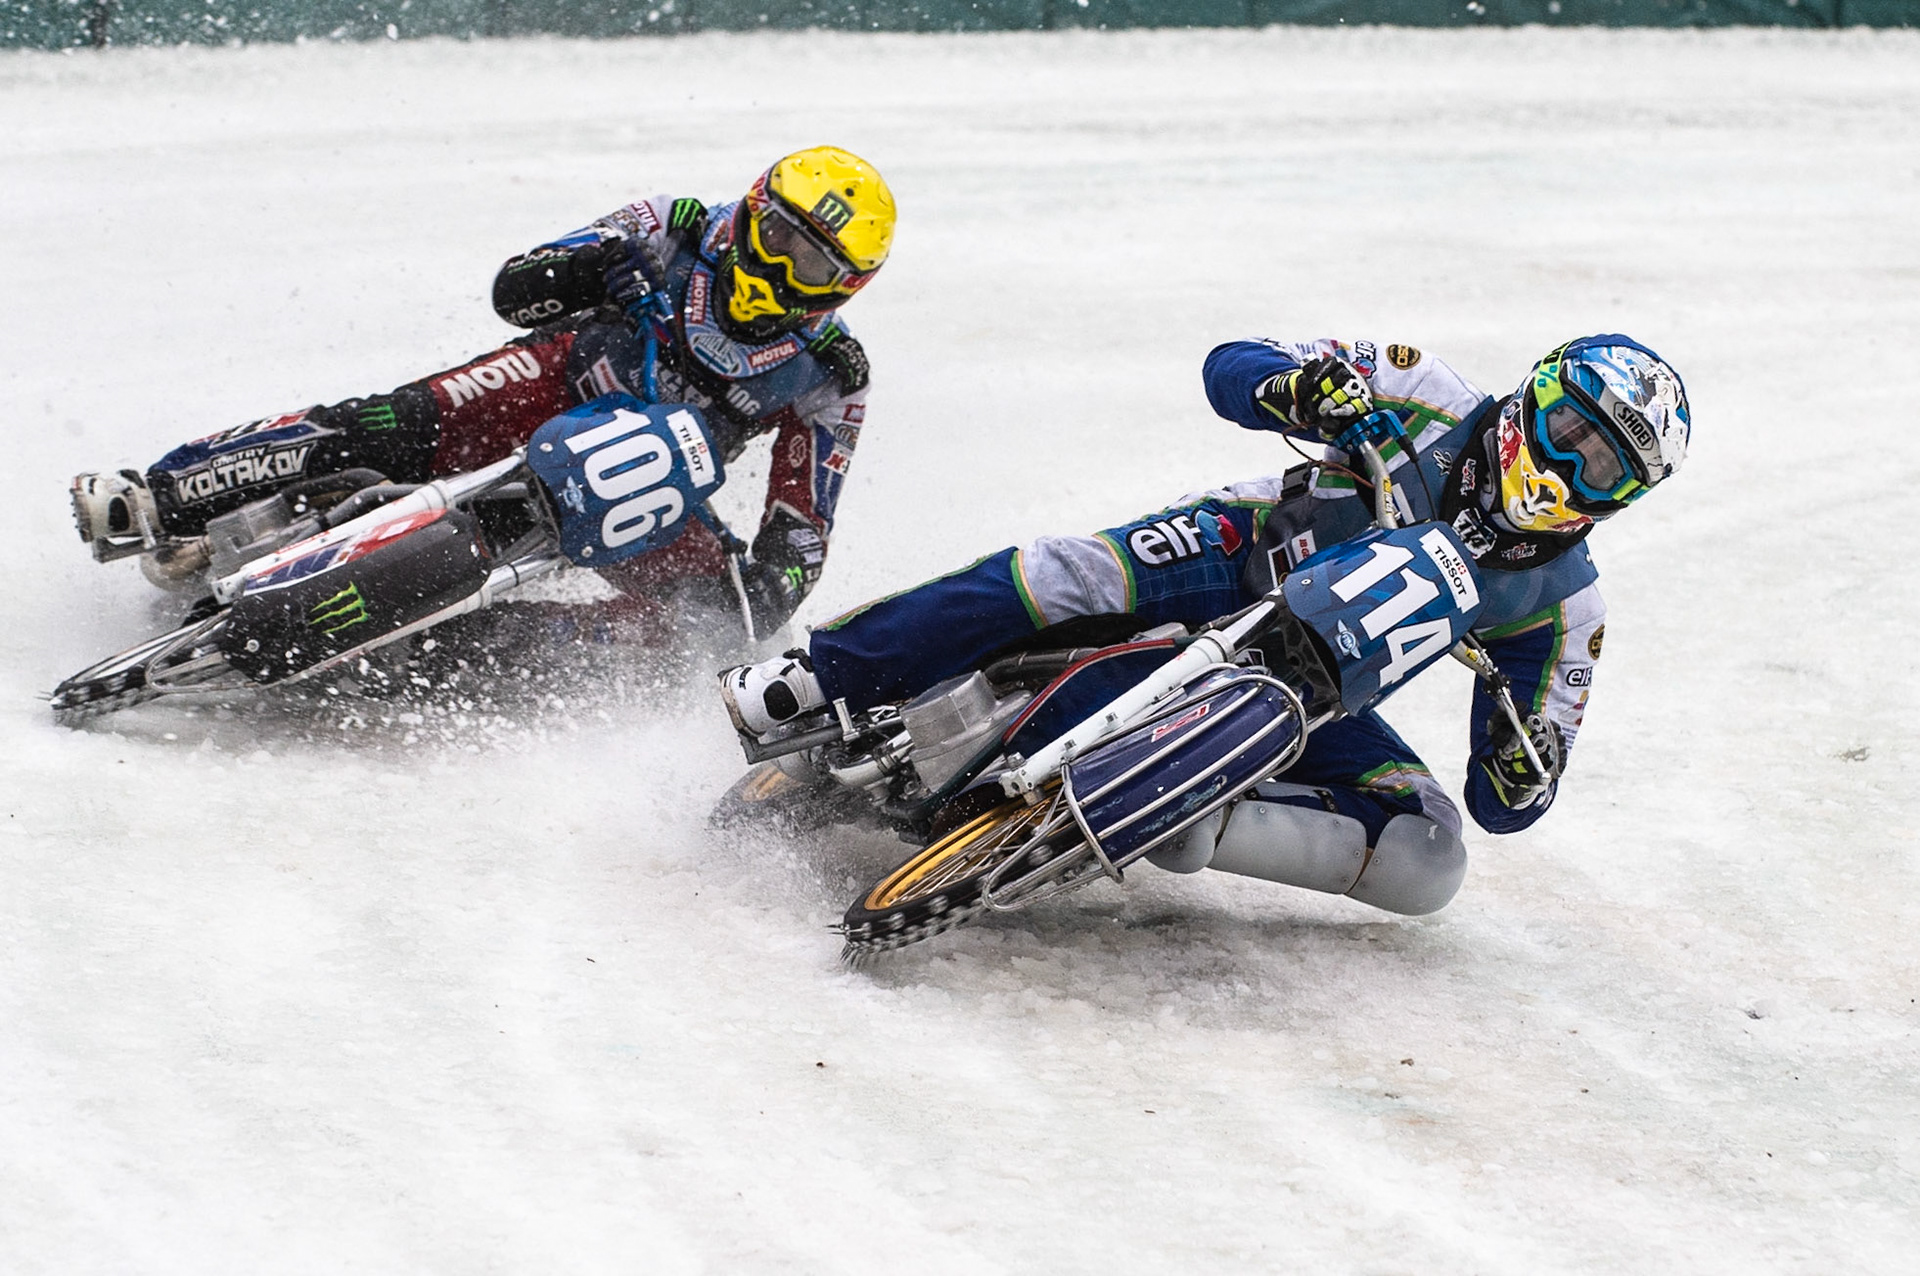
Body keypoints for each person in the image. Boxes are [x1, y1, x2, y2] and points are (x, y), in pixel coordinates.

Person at [718, 334, 1690, 916]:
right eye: (1571, 435)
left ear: (1626, 498)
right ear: (1536, 397)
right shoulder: (1427, 390)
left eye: (1604, 469)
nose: (1569, 472)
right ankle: (823, 673)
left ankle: (1190, 812)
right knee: (1071, 574)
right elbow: (1233, 364)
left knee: (1429, 853)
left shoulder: (1567, 609)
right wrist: (1298, 389)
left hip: (1309, 688)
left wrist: (1523, 767)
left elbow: (1510, 794)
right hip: (1241, 546)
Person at [69, 146, 895, 637]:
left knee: (702, 638)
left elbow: (803, 531)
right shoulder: (672, 221)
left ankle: (466, 654)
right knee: (391, 422)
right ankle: (157, 498)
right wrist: (587, 269)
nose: (780, 263)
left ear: (843, 288)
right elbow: (515, 289)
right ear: (753, 206)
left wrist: (768, 590)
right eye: (777, 232)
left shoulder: (833, 376)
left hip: (650, 489)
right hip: (554, 376)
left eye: (812, 262)